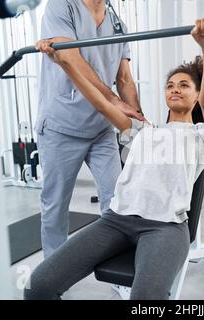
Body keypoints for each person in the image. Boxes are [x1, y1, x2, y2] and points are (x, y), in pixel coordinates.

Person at [25, 17, 204, 300]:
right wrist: (64, 62)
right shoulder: (143, 129)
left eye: (184, 85)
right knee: (38, 285)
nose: (175, 88)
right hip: (115, 221)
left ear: (196, 95)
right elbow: (102, 103)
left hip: (164, 228)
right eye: (170, 85)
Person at [35, 0, 144, 259]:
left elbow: (125, 79)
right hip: (62, 126)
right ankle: (53, 273)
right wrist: (113, 99)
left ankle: (118, 275)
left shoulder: (118, 24)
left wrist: (139, 121)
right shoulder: (62, 6)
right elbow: (70, 58)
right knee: (56, 208)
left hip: (101, 129)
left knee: (117, 201)